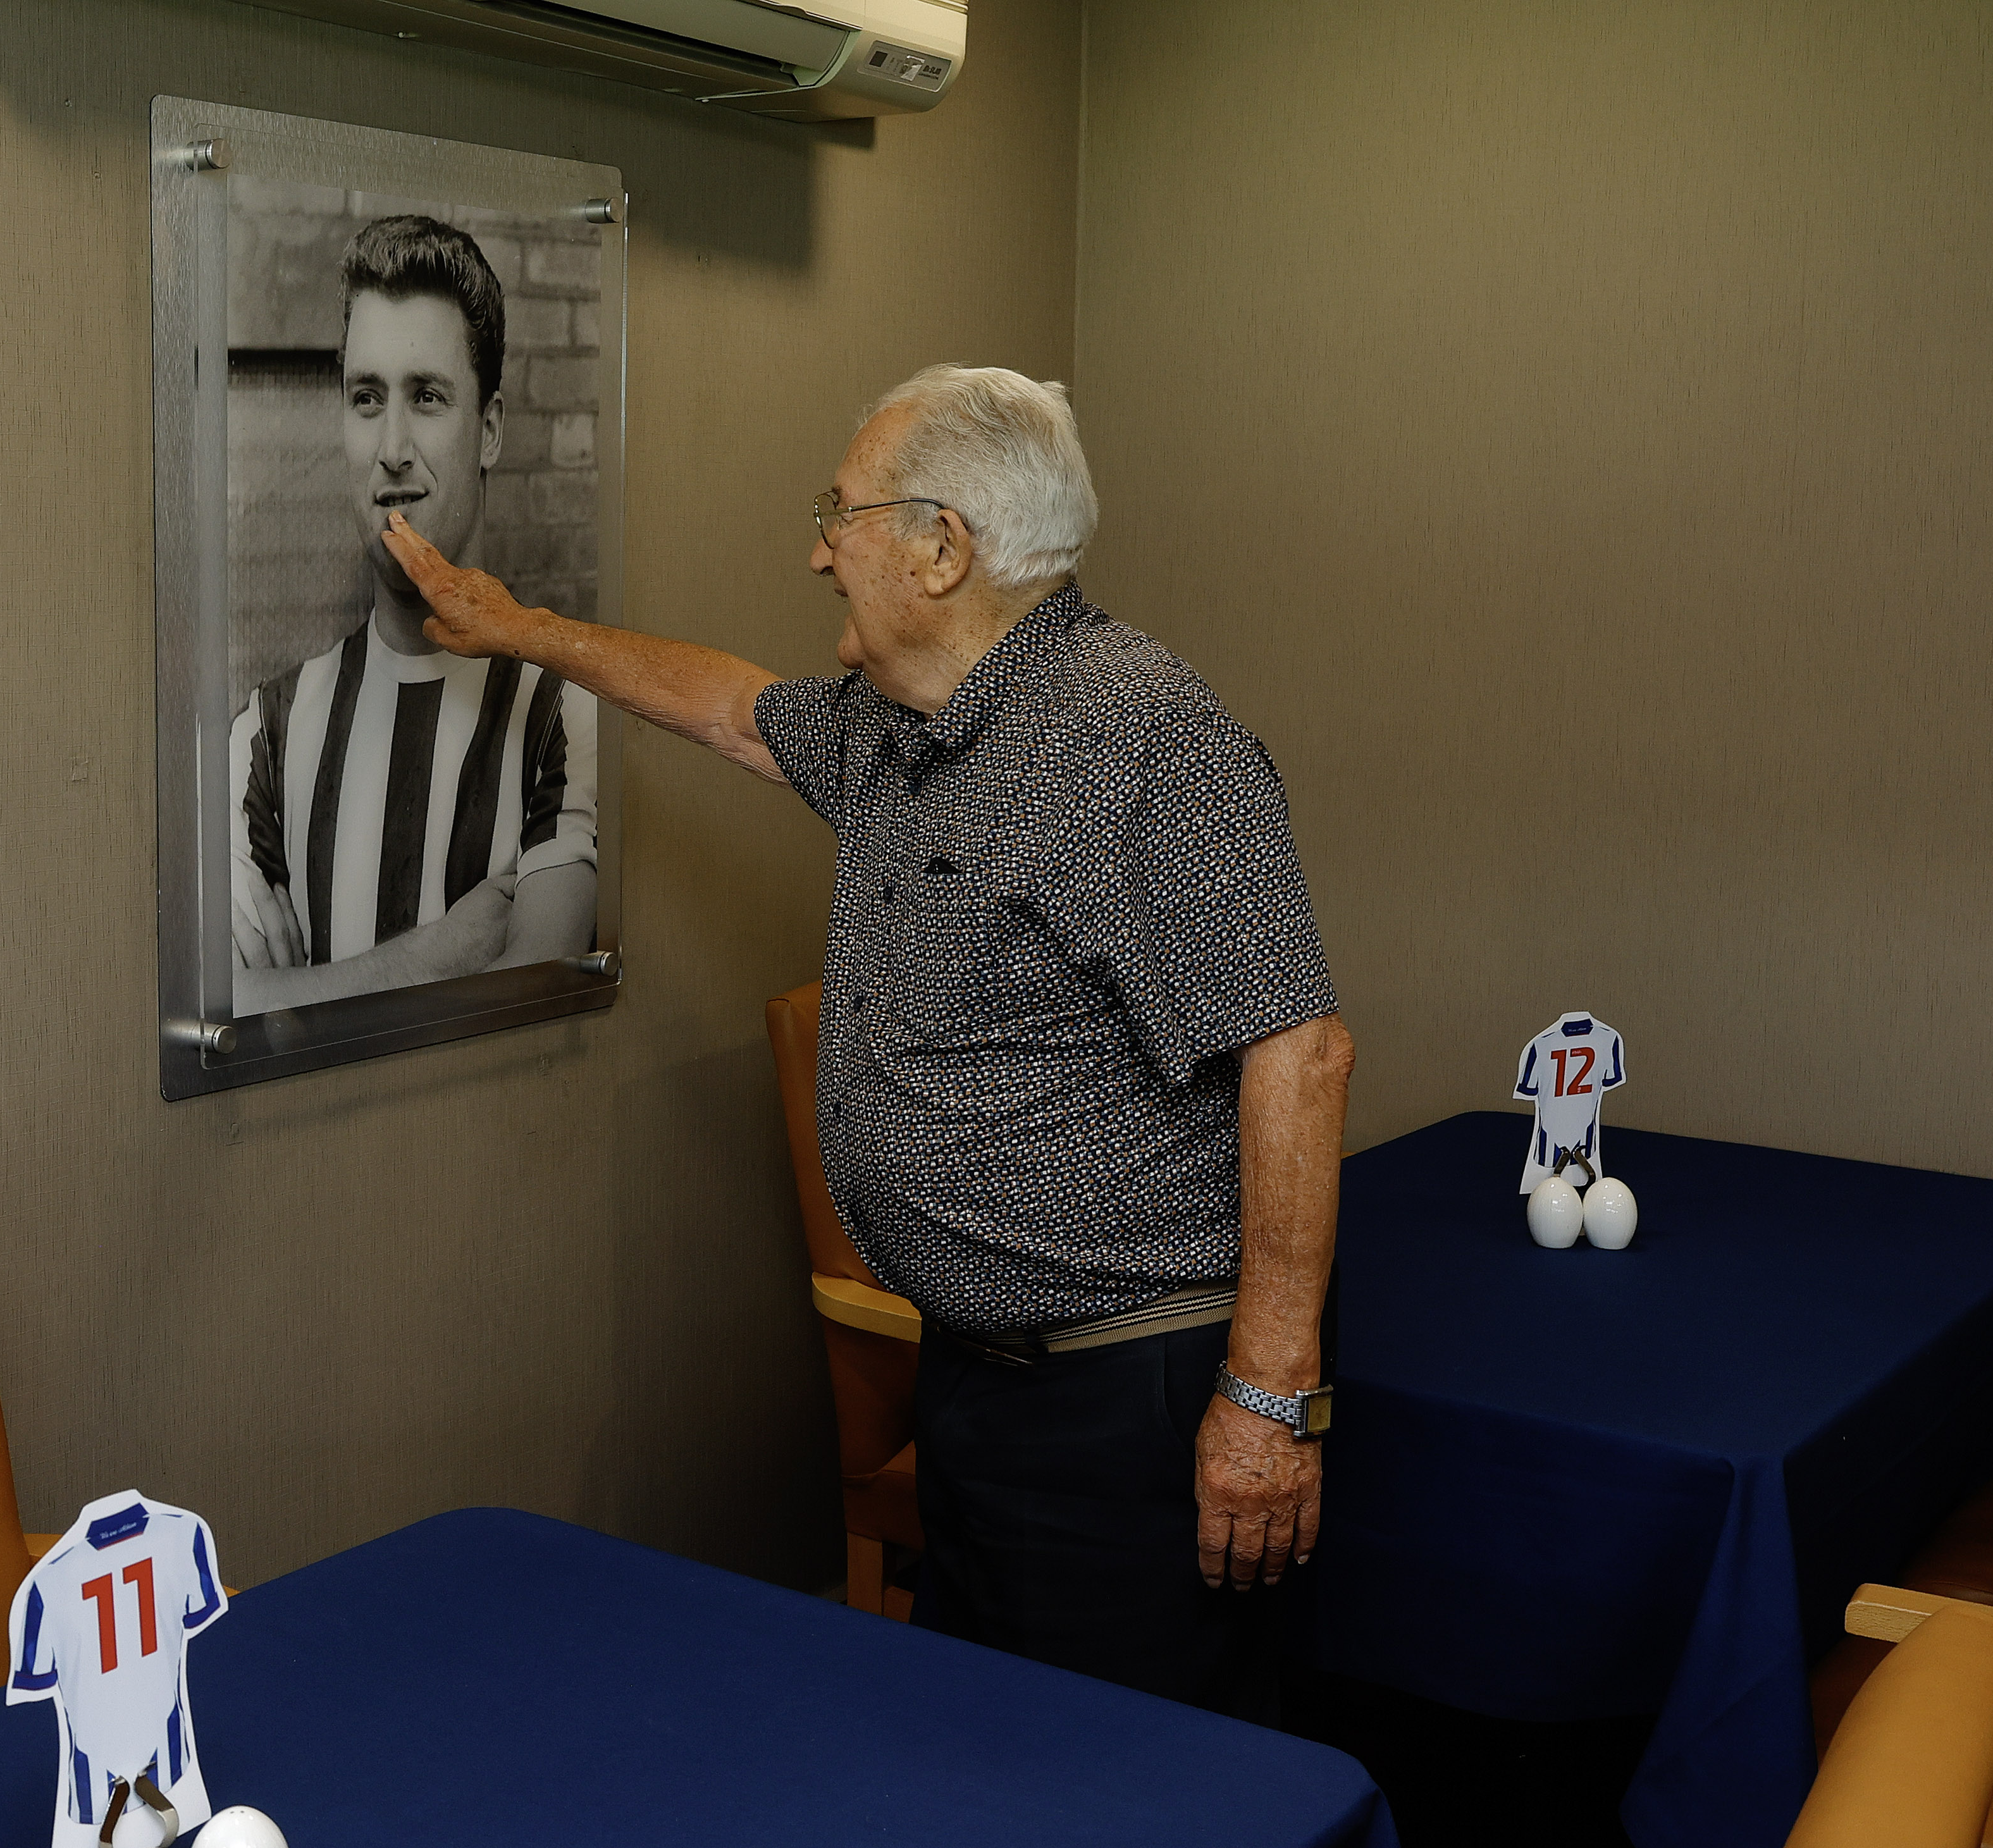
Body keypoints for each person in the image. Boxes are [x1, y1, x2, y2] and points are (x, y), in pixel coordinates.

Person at [377, 364, 1355, 1721]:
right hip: (972, 1384)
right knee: (971, 1761)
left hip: (1132, 1398)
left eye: (840, 513)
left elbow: (1296, 1053)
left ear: (940, 548)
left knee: (1142, 1789)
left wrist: (1266, 1398)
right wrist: (519, 626)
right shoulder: (893, 730)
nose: (817, 549)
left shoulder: (1144, 734)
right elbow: (726, 706)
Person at [227, 215, 599, 1015]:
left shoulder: (560, 712)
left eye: (426, 397)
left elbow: (533, 991)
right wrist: (444, 953)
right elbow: (223, 1013)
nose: (392, 447)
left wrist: (302, 995)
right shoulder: (266, 731)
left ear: (489, 429)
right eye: (367, 398)